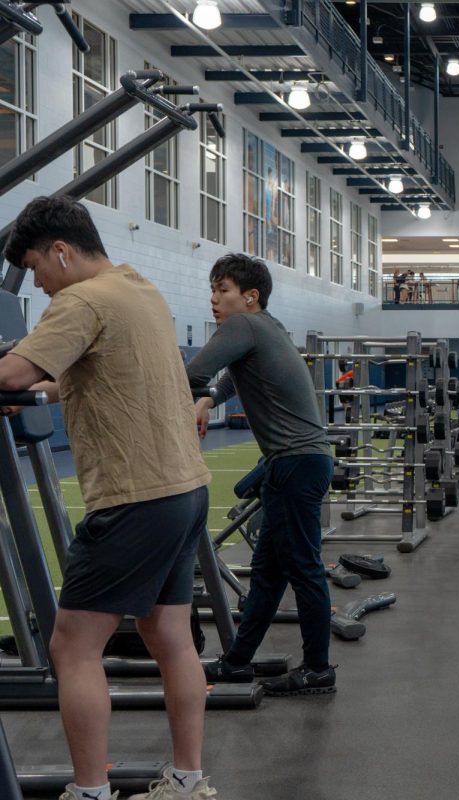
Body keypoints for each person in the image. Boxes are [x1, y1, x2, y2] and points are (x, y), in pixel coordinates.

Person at [0, 196, 217, 800]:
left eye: (37, 269)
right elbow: (92, 367)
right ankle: (187, 781)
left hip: (134, 498)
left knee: (71, 646)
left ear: (62, 253)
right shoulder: (138, 291)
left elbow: (12, 375)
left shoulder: (79, 299)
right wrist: (39, 379)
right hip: (182, 489)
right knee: (169, 637)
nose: (39, 286)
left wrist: (19, 373)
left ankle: (90, 791)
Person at [188, 254, 336, 700]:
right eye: (212, 290)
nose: (214, 299)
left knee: (304, 569)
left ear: (249, 297)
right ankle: (236, 662)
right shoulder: (269, 327)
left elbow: (191, 372)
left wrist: (189, 393)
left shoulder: (242, 326)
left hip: (294, 462)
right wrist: (211, 400)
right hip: (293, 463)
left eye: (224, 291)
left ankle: (317, 670)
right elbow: (232, 377)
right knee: (268, 572)